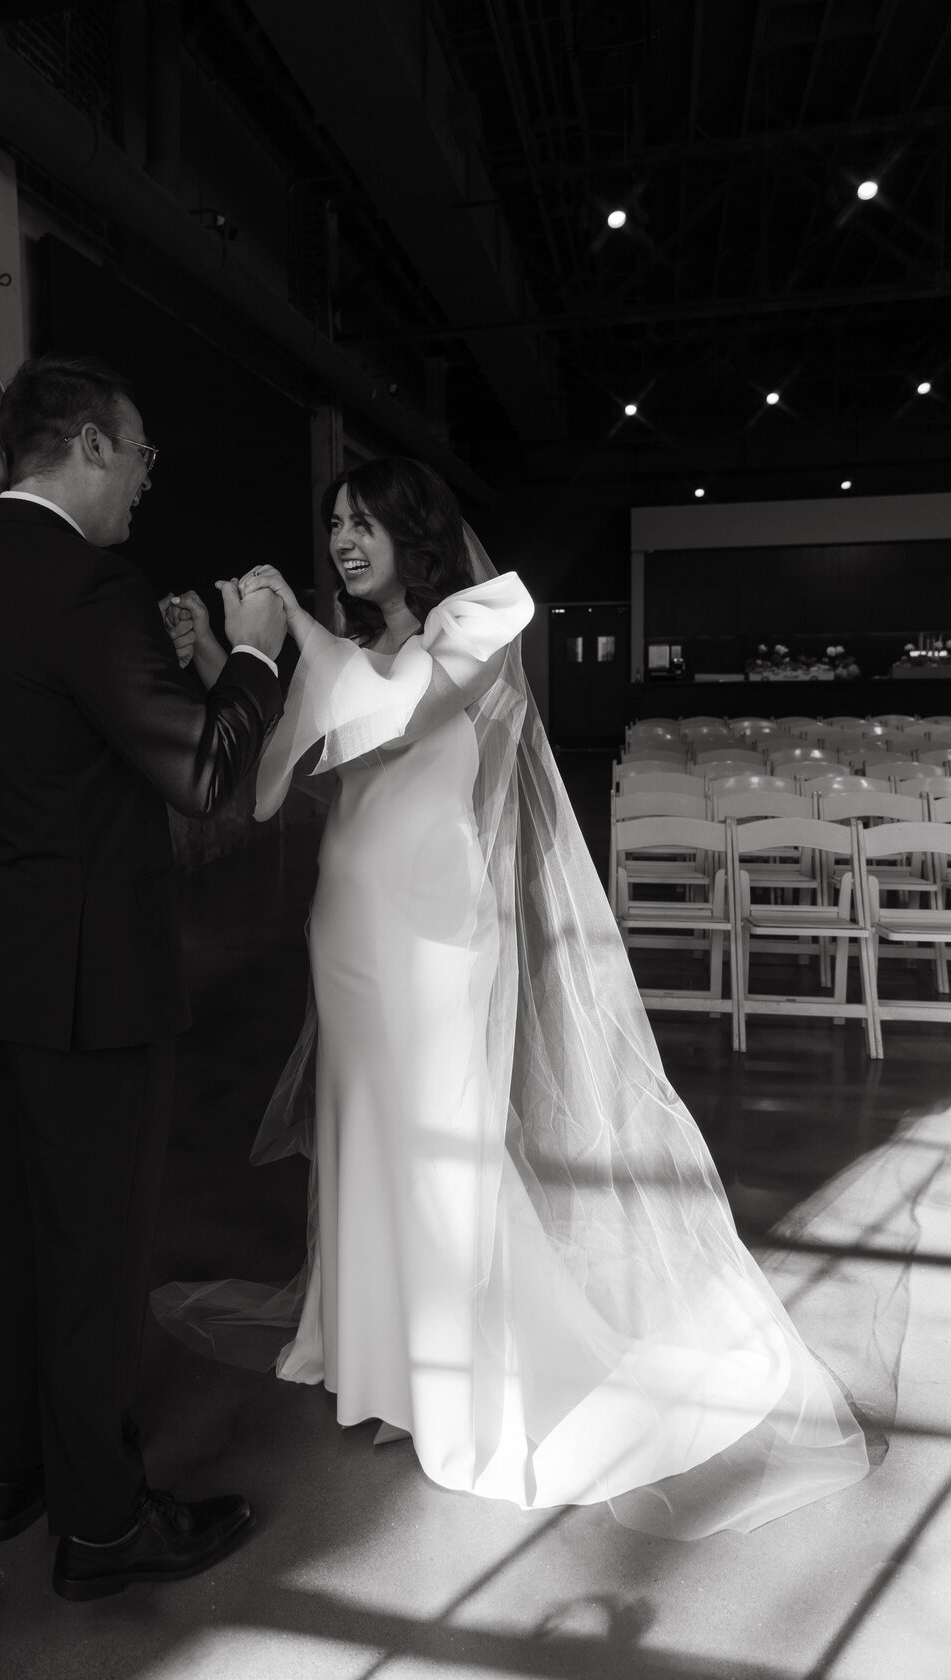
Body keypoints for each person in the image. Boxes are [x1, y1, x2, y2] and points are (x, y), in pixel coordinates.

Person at [153, 456, 872, 1540]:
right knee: (365, 1136)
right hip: (348, 922)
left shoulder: (480, 621)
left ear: (415, 531)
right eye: (334, 524)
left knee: (439, 1144)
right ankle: (367, 1353)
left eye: (364, 522)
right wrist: (224, 655)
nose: (345, 539)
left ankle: (453, 1379)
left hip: (437, 936)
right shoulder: (364, 651)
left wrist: (293, 621)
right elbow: (276, 791)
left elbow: (394, 713)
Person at [0, 354, 286, 1601]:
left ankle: (10, 1477)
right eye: (137, 454)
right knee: (90, 1262)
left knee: (17, 1245)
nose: (144, 479)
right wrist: (252, 656)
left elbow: (68, 761)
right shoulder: (88, 588)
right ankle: (106, 1526)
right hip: (87, 991)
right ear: (81, 445)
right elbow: (208, 779)